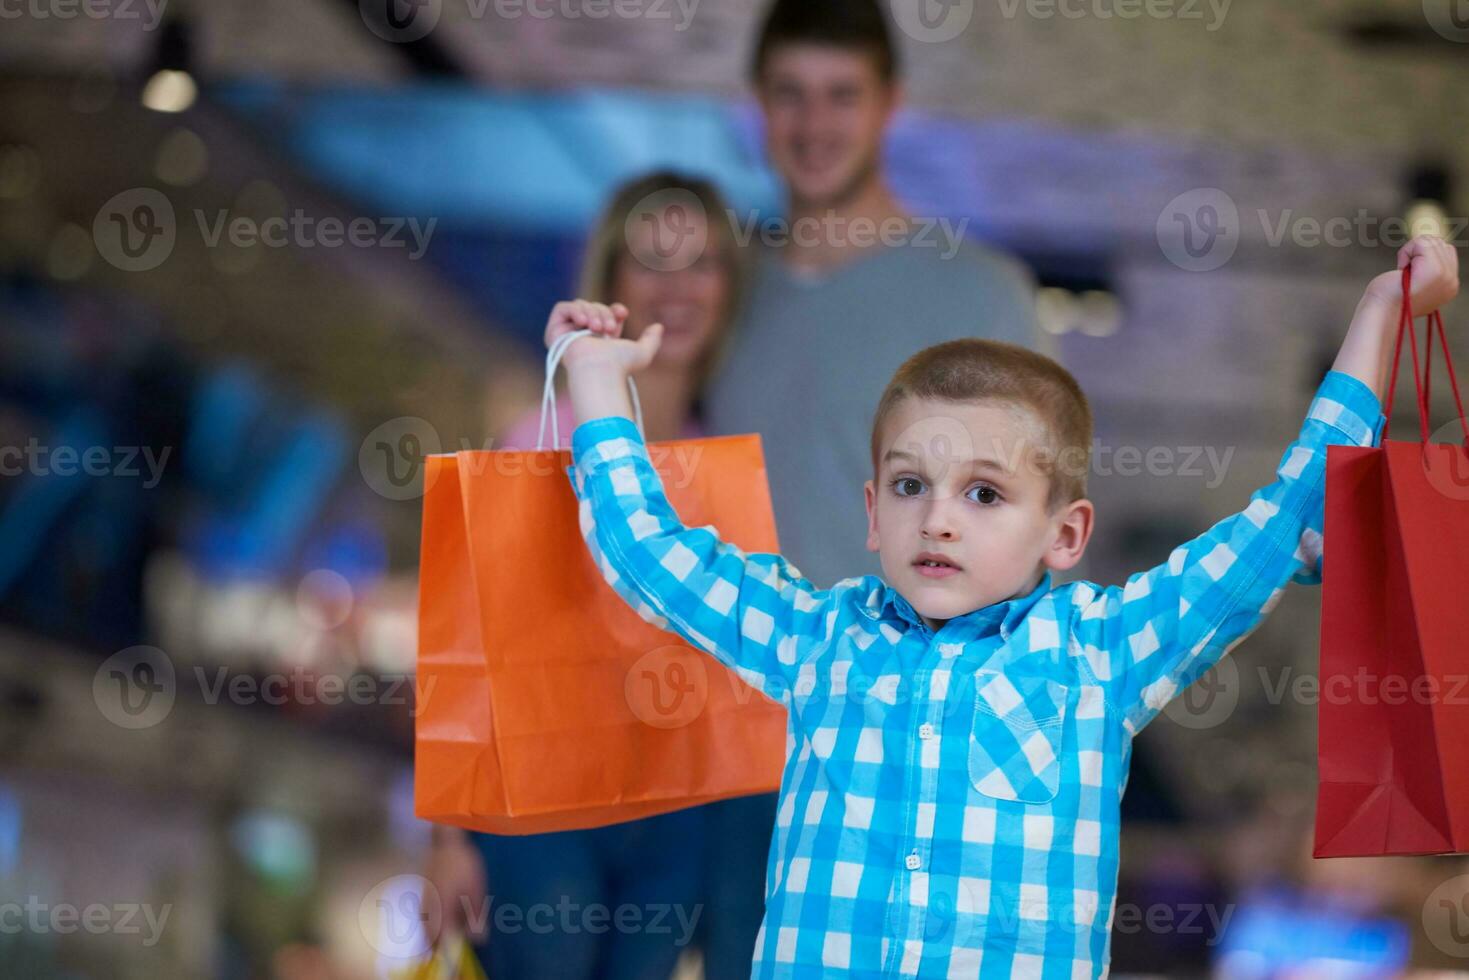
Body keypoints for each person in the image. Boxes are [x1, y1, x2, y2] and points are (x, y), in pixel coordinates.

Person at [539, 234, 1457, 977]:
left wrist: (1379, 311)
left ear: (1065, 535)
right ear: (870, 513)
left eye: (983, 494)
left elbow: (1282, 520)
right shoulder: (818, 639)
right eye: (909, 486)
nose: (937, 518)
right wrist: (593, 381)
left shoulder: (1103, 654)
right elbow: (648, 557)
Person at [426, 170, 748, 979]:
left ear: (728, 289)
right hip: (543, 805)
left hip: (673, 815)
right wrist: (446, 838)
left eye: (701, 262)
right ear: (610, 279)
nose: (677, 288)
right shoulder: (539, 434)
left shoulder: (727, 457)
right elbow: (467, 648)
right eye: (652, 261)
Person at [705, 0, 1050, 591]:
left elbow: (1038, 528)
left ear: (889, 104)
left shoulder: (982, 296)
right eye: (791, 93)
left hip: (905, 681)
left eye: (843, 95)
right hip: (730, 674)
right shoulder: (719, 291)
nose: (814, 124)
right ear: (758, 103)